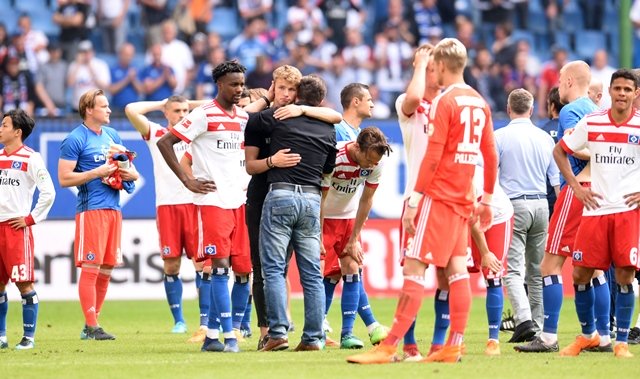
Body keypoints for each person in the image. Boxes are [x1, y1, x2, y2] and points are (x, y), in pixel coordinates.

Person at [347, 37, 498, 364]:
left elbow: (433, 155)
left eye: (434, 67)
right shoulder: (479, 102)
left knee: (415, 267)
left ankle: (390, 347)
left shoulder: (447, 103)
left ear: (441, 67)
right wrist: (485, 197)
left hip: (436, 194)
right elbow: (490, 153)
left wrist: (416, 198)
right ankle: (451, 346)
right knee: (457, 270)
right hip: (464, 197)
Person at [516, 61, 611, 353]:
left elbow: (574, 147)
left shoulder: (571, 111)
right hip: (602, 191)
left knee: (549, 265)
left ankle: (548, 336)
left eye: (559, 78)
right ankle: (602, 336)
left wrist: (592, 154)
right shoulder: (598, 110)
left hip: (578, 188)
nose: (557, 83)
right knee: (593, 269)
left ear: (569, 80)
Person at [243, 65, 341, 350]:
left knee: (272, 269)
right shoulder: (328, 126)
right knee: (311, 273)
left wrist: (268, 99)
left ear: (298, 94)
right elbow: (327, 168)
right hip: (311, 198)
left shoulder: (275, 118)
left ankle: (277, 334)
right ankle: (313, 337)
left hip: (280, 195)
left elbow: (243, 119)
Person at [157, 61, 251, 353]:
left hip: (240, 201)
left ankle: (213, 335)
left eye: (241, 84)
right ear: (220, 84)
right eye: (234, 84)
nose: (239, 89)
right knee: (219, 268)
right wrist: (188, 180)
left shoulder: (244, 118)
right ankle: (229, 337)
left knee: (244, 272)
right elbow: (165, 142)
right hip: (213, 202)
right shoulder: (203, 115)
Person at [553, 69, 640, 358]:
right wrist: (576, 187)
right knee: (580, 273)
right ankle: (590, 335)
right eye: (618, 88)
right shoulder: (592, 122)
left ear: (635, 93)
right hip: (595, 210)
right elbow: (560, 151)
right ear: (611, 91)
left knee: (625, 276)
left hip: (627, 211)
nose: (622, 94)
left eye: (628, 89)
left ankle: (622, 342)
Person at [125, 96, 211, 338]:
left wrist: (190, 103)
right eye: (176, 110)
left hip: (195, 204)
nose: (182, 114)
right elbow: (131, 108)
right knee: (171, 264)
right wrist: (162, 102)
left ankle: (204, 320)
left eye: (185, 110)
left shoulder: (197, 132)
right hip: (167, 206)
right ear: (166, 113)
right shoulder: (157, 133)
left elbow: (215, 102)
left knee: (201, 263)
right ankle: (179, 321)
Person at [58, 89, 139, 340]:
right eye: (103, 106)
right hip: (91, 210)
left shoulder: (112, 135)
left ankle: (91, 324)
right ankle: (92, 326)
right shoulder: (75, 139)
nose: (109, 110)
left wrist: (128, 174)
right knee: (91, 267)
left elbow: (132, 172)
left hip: (114, 209)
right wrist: (98, 172)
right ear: (89, 109)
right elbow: (64, 178)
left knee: (106, 269)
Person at [321, 83, 388, 348]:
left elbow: (367, 199)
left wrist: (356, 236)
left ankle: (350, 331)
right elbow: (321, 193)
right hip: (325, 217)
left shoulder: (372, 148)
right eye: (368, 99)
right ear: (356, 101)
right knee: (328, 275)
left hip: (348, 218)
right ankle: (322, 326)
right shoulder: (336, 136)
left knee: (351, 267)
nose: (372, 104)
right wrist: (315, 230)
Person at [494, 88, 559, 344]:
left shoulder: (499, 137)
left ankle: (523, 320)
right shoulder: (545, 138)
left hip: (513, 205)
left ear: (509, 109)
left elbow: (489, 176)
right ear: (532, 110)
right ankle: (539, 323)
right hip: (541, 204)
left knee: (512, 269)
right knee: (536, 270)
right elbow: (555, 181)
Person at [395, 44, 440, 361]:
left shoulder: (451, 103)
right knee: (414, 274)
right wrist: (421, 64)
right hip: (417, 198)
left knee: (450, 274)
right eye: (427, 65)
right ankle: (410, 345)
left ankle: (442, 346)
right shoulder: (409, 102)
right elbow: (412, 100)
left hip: (449, 200)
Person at [0, 109, 55, 350]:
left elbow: (49, 192)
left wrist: (30, 219)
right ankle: (1, 336)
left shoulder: (31, 158)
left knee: (24, 284)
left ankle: (28, 337)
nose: (0, 129)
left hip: (15, 227)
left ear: (17, 132)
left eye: (4, 125)